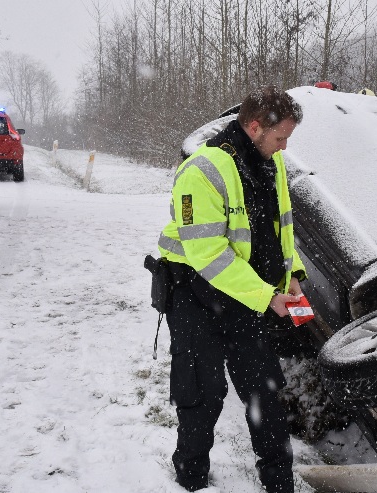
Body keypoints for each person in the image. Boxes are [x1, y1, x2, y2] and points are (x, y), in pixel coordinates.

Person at [157, 85, 306, 493]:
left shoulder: (270, 164)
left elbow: (281, 233)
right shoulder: (201, 171)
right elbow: (207, 255)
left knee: (266, 395)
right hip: (194, 296)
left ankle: (279, 483)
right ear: (255, 127)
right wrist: (266, 297)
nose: (284, 147)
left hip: (246, 297)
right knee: (203, 397)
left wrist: (292, 275)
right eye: (280, 138)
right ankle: (191, 478)